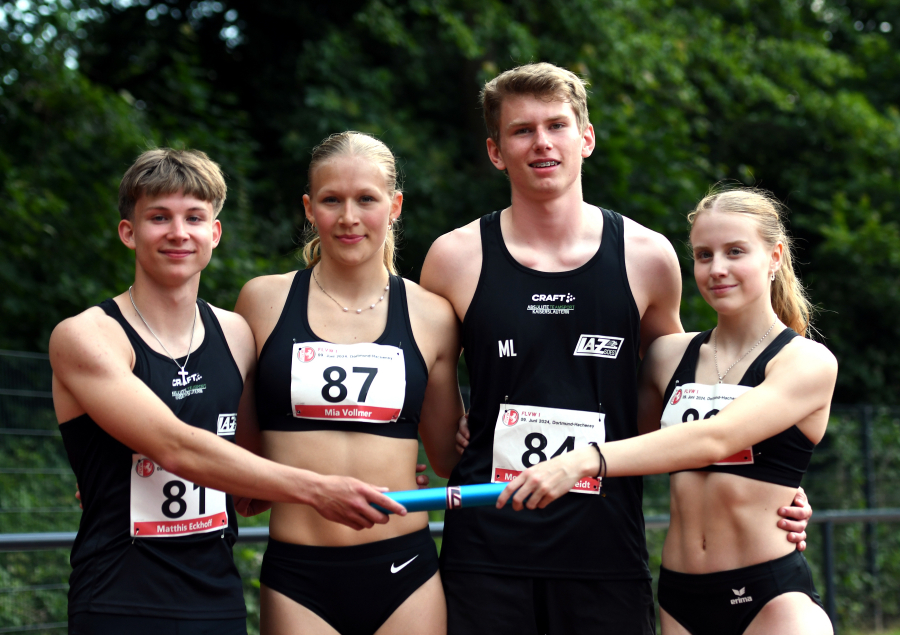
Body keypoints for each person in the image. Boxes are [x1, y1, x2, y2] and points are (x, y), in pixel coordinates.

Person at [420, 63, 812, 634]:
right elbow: (425, 383)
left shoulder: (649, 257)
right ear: (496, 150)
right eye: (522, 130)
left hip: (605, 549)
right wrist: (445, 436)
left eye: (557, 125)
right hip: (487, 551)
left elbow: (687, 403)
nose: (542, 143)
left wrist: (779, 482)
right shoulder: (453, 258)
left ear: (587, 138)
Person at [51, 148, 408, 635]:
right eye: (159, 217)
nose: (179, 233)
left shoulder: (237, 334)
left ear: (214, 234)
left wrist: (375, 461)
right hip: (119, 600)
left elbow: (244, 472)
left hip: (218, 601)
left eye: (194, 217)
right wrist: (320, 489)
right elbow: (177, 447)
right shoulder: (86, 336)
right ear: (129, 233)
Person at [499, 188, 835, 635]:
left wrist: (586, 458)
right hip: (680, 598)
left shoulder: (806, 361)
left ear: (774, 256)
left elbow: (715, 438)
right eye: (703, 254)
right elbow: (622, 439)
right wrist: (483, 428)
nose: (717, 269)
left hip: (771, 596)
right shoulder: (667, 356)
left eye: (735, 252)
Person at [234, 131, 464, 635]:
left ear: (395, 205)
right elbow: (230, 437)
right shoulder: (260, 302)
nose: (349, 218)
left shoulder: (433, 315)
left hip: (404, 571)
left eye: (367, 199)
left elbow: (446, 458)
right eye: (331, 200)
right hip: (299, 575)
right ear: (308, 207)